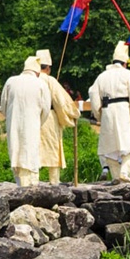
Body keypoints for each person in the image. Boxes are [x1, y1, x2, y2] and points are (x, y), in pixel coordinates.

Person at [88, 41, 130, 183]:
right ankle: (124, 172)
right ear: (125, 62)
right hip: (123, 109)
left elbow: (93, 93)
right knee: (129, 145)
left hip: (107, 111)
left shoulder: (102, 76)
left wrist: (99, 114)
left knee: (109, 146)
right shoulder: (128, 74)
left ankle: (116, 177)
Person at [0, 56, 51, 186]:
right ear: (38, 71)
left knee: (16, 150)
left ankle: (21, 184)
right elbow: (46, 109)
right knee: (30, 151)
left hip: (14, 123)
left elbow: (3, 105)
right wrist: (38, 122)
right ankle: (32, 184)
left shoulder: (11, 81)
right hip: (32, 124)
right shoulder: (41, 84)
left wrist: (11, 117)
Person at [34, 48, 78, 185]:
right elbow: (61, 101)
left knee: (33, 148)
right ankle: (54, 182)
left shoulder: (28, 78)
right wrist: (74, 114)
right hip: (48, 117)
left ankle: (33, 181)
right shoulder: (49, 80)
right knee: (52, 148)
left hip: (31, 117)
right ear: (48, 68)